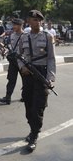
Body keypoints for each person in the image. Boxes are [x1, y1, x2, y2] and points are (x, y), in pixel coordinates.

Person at [17, 10, 56, 152]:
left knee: (38, 107)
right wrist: (22, 67)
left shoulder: (47, 36)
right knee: (28, 104)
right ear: (28, 21)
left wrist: (50, 78)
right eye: (34, 20)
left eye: (39, 20)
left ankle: (34, 134)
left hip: (42, 73)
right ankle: (32, 127)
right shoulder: (24, 37)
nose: (37, 22)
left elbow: (51, 58)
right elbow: (19, 55)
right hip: (27, 75)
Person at [0, 18, 24, 104]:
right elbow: (11, 47)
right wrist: (5, 51)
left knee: (25, 79)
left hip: (22, 61)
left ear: (20, 25)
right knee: (11, 79)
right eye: (13, 25)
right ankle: (7, 97)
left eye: (15, 25)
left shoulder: (25, 35)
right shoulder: (12, 35)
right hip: (13, 61)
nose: (13, 27)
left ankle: (25, 96)